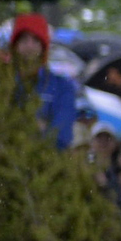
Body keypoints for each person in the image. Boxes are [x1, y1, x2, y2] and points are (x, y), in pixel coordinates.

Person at [7, 13, 78, 148]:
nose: (29, 46)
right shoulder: (1, 83)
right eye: (23, 40)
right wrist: (37, 126)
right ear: (14, 46)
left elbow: (61, 137)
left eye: (35, 40)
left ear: (43, 47)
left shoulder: (62, 87)